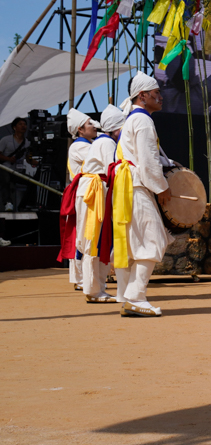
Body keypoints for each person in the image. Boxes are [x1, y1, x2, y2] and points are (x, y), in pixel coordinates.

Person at [110, 72, 178, 318]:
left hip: (130, 185)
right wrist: (162, 187)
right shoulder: (142, 120)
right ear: (142, 96)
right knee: (152, 239)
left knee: (139, 241)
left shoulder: (135, 119)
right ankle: (135, 298)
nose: (161, 97)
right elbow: (148, 160)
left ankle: (131, 296)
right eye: (156, 93)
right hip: (136, 185)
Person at [78, 105, 124, 303]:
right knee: (93, 241)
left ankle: (96, 288)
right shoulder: (106, 143)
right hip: (93, 193)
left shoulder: (104, 141)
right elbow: (112, 170)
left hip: (94, 192)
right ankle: (94, 290)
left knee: (97, 240)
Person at [59, 109, 98, 290]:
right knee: (82, 234)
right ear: (80, 130)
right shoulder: (80, 146)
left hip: (87, 193)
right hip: (84, 193)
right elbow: (100, 159)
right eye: (90, 123)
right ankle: (81, 278)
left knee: (83, 233)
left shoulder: (88, 144)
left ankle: (81, 277)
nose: (94, 126)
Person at [0, 116, 31, 210]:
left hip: (18, 171)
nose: (23, 126)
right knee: (5, 179)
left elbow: (28, 158)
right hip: (5, 169)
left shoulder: (27, 142)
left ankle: (23, 205)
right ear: (14, 127)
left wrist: (36, 162)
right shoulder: (6, 140)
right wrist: (8, 159)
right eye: (20, 124)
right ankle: (8, 203)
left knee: (32, 182)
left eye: (25, 124)